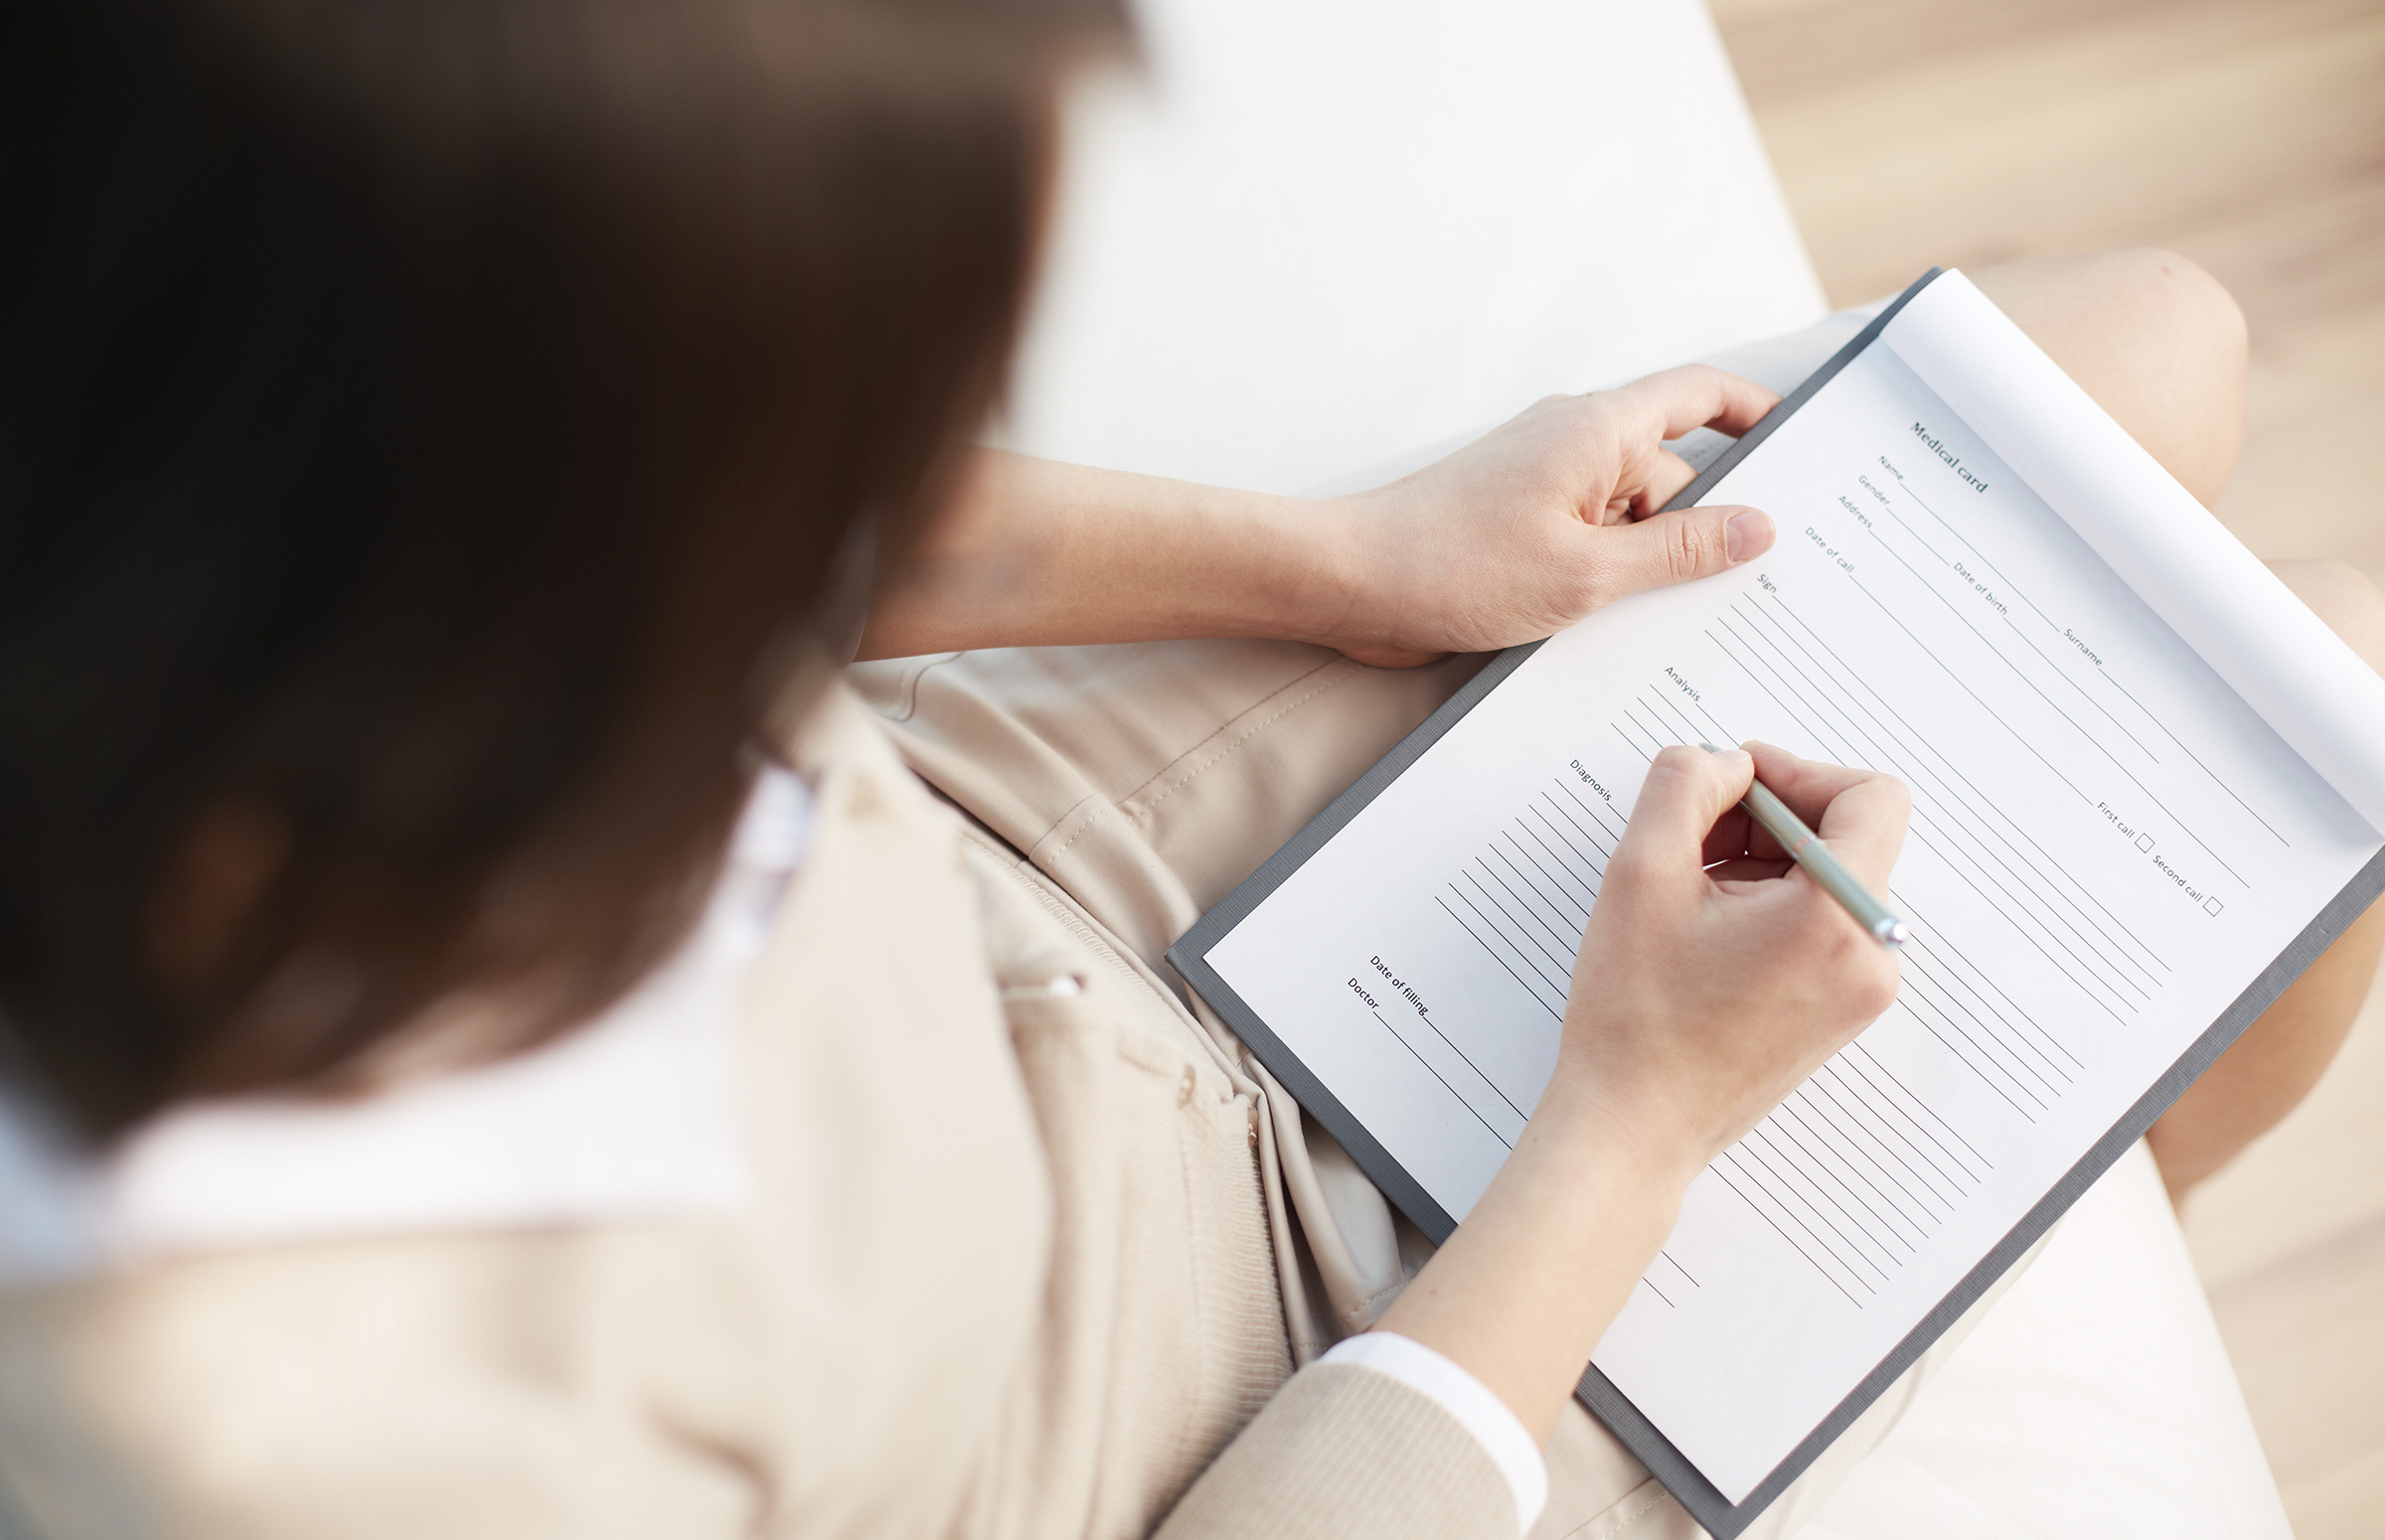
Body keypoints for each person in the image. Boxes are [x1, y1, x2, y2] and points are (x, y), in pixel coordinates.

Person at [0, 1, 2375, 1537]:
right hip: (1194, 1406)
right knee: (2270, 864)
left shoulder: (203, 378)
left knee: (2138, 367)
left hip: (1026, 859)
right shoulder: (285, 1442)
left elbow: (776, 521)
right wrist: (1631, 1131)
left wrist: (1358, 561)